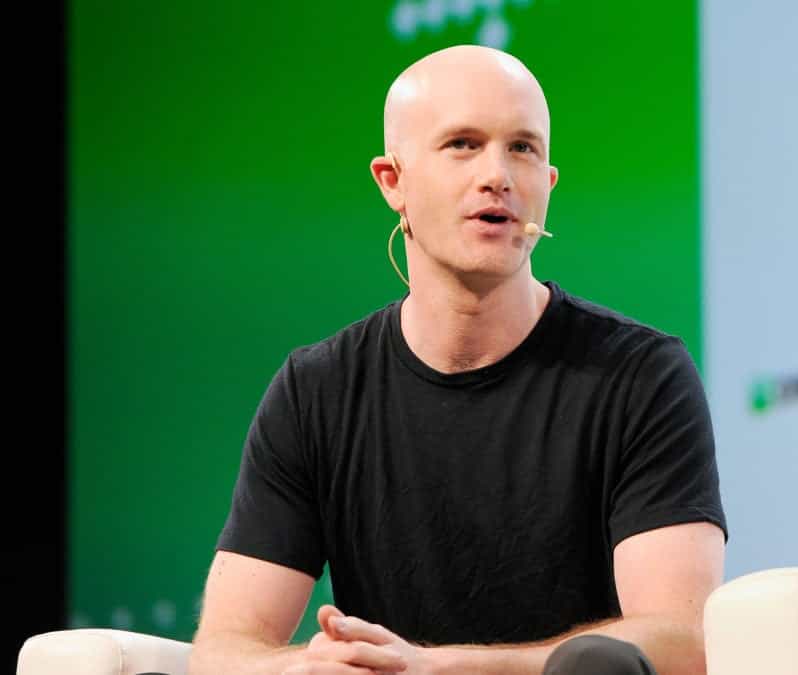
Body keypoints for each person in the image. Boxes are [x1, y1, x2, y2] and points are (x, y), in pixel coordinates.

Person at [189, 44, 727, 675]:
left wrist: (439, 668)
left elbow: (680, 639)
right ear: (393, 181)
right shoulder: (315, 393)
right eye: (463, 145)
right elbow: (222, 652)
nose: (497, 174)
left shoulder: (640, 376)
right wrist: (304, 668)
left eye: (523, 148)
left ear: (547, 185)